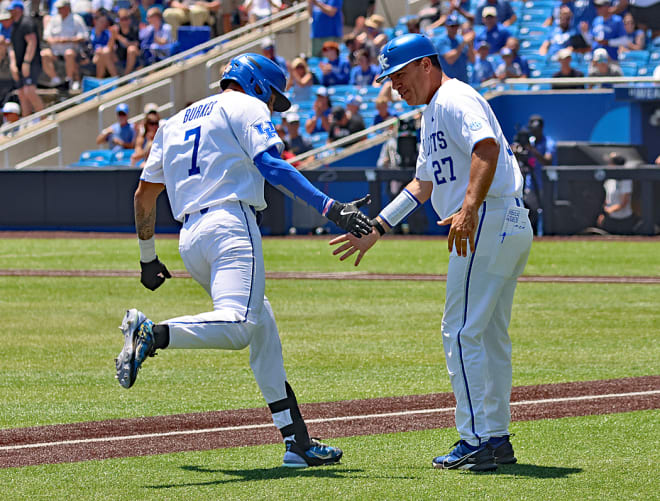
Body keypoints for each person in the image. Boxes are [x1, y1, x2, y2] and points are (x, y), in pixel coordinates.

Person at [114, 53, 372, 468]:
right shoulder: (247, 105)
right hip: (230, 223)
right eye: (273, 98)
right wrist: (331, 208)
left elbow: (144, 196)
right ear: (255, 84)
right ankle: (153, 333)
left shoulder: (172, 122)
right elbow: (271, 165)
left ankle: (297, 443)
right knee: (238, 326)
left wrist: (148, 259)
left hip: (190, 238)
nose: (272, 107)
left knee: (263, 331)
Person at [330, 33, 532, 472]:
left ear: (426, 64)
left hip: (488, 219)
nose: (394, 85)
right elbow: (423, 184)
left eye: (399, 74)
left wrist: (469, 208)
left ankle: (476, 439)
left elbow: (487, 148)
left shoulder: (454, 98)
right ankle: (494, 438)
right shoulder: (432, 111)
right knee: (488, 336)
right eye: (389, 78)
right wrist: (378, 227)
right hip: (504, 220)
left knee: (460, 332)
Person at [40, 0, 88, 90]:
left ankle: (70, 80)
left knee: (69, 53)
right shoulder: (54, 19)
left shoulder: (76, 19)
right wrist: (55, 40)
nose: (59, 10)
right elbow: (46, 36)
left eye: (61, 8)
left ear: (67, 8)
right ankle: (55, 79)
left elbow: (84, 36)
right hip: (55, 51)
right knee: (44, 53)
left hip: (72, 50)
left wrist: (68, 40)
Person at [8, 0, 44, 117]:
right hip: (20, 64)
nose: (10, 12)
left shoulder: (27, 22)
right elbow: (12, 46)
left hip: (31, 63)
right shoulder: (15, 25)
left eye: (12, 9)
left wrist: (27, 62)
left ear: (18, 10)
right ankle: (26, 121)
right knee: (22, 94)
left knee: (30, 92)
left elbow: (32, 42)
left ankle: (44, 119)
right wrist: (13, 64)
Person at [596, 152, 638, 234]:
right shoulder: (609, 179)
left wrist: (609, 210)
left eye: (610, 163)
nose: (608, 165)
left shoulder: (625, 180)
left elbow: (624, 202)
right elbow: (606, 199)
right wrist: (603, 214)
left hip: (624, 220)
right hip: (610, 219)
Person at [435, 13, 475, 84]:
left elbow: (472, 60)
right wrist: (463, 43)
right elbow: (450, 60)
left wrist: (470, 44)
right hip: (449, 83)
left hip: (463, 81)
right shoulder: (441, 40)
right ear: (446, 26)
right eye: (452, 26)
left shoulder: (460, 39)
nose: (454, 28)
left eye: (456, 26)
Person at [111, 7, 141, 76]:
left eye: (126, 18)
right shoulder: (116, 31)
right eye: (122, 19)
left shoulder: (134, 29)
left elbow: (134, 45)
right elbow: (110, 48)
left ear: (130, 19)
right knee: (106, 52)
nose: (124, 21)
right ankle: (115, 78)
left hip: (135, 60)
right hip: (121, 60)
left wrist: (118, 36)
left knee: (131, 49)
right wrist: (113, 36)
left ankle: (126, 76)